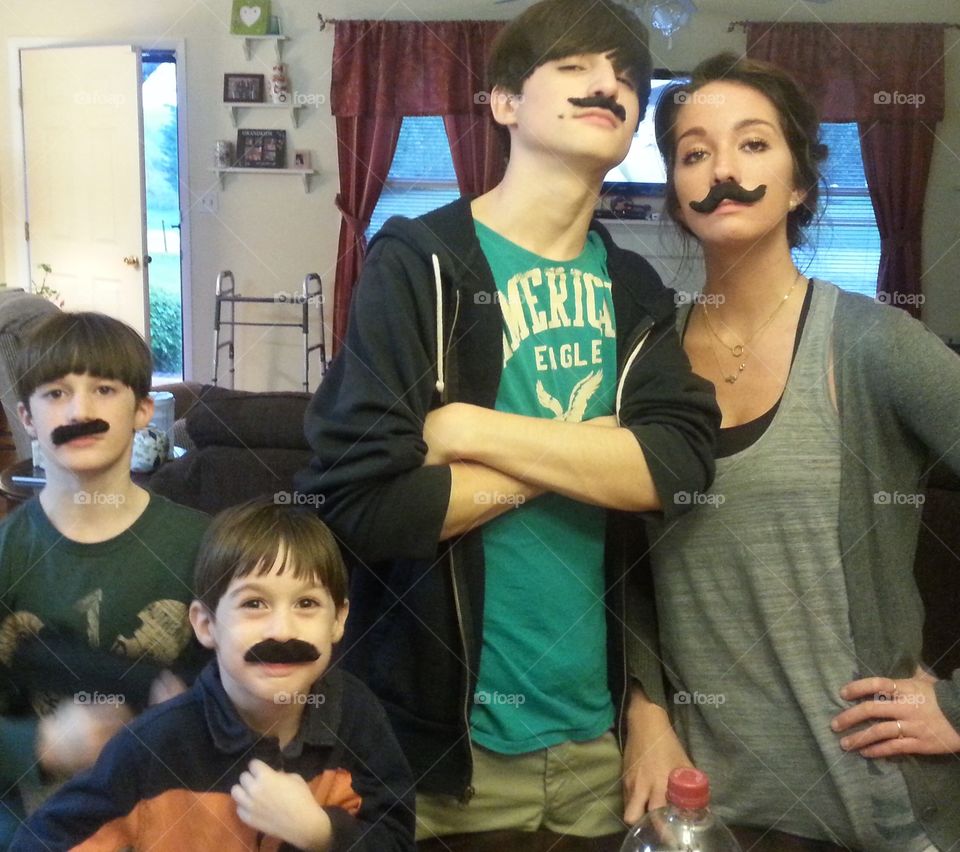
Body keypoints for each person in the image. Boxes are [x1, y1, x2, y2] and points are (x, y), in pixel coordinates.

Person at [296, 0, 720, 848]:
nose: (607, 84)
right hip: (443, 757)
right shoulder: (419, 264)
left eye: (627, 77)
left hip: (598, 750)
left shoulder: (635, 289)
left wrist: (468, 429)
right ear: (503, 103)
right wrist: (595, 448)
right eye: (574, 66)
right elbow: (362, 506)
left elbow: (677, 465)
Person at [644, 52, 960, 851]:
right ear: (677, 195)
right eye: (694, 152)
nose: (723, 170)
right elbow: (615, 568)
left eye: (753, 144)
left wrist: (958, 708)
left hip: (877, 818)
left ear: (799, 185)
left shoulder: (873, 345)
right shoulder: (645, 361)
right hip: (706, 817)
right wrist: (644, 711)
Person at [14, 497, 416, 851]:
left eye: (306, 603)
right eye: (254, 604)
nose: (282, 630)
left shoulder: (357, 717)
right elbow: (45, 839)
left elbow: (396, 837)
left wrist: (322, 833)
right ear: (206, 625)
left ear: (338, 620)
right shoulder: (155, 745)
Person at [0, 312, 210, 848]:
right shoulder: (7, 553)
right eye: (55, 393)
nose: (79, 412)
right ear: (27, 417)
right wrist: (42, 743)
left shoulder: (205, 547)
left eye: (104, 389)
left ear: (142, 410)